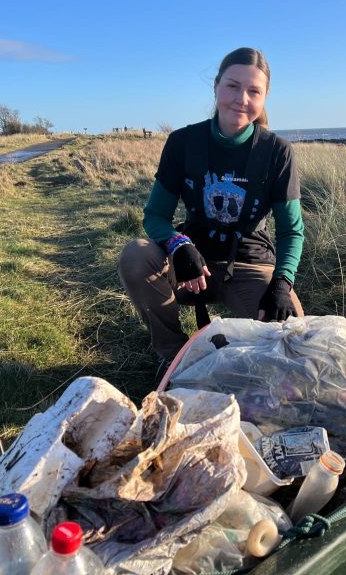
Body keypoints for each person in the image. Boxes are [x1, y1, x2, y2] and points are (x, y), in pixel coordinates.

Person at [118, 47, 304, 364]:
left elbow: (291, 232)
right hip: (190, 261)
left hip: (248, 263)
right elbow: (155, 216)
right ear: (216, 86)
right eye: (232, 85)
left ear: (264, 98)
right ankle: (175, 357)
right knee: (135, 255)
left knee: (290, 344)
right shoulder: (182, 143)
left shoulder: (277, 152)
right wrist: (178, 244)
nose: (241, 99)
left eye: (253, 91)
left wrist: (281, 284)